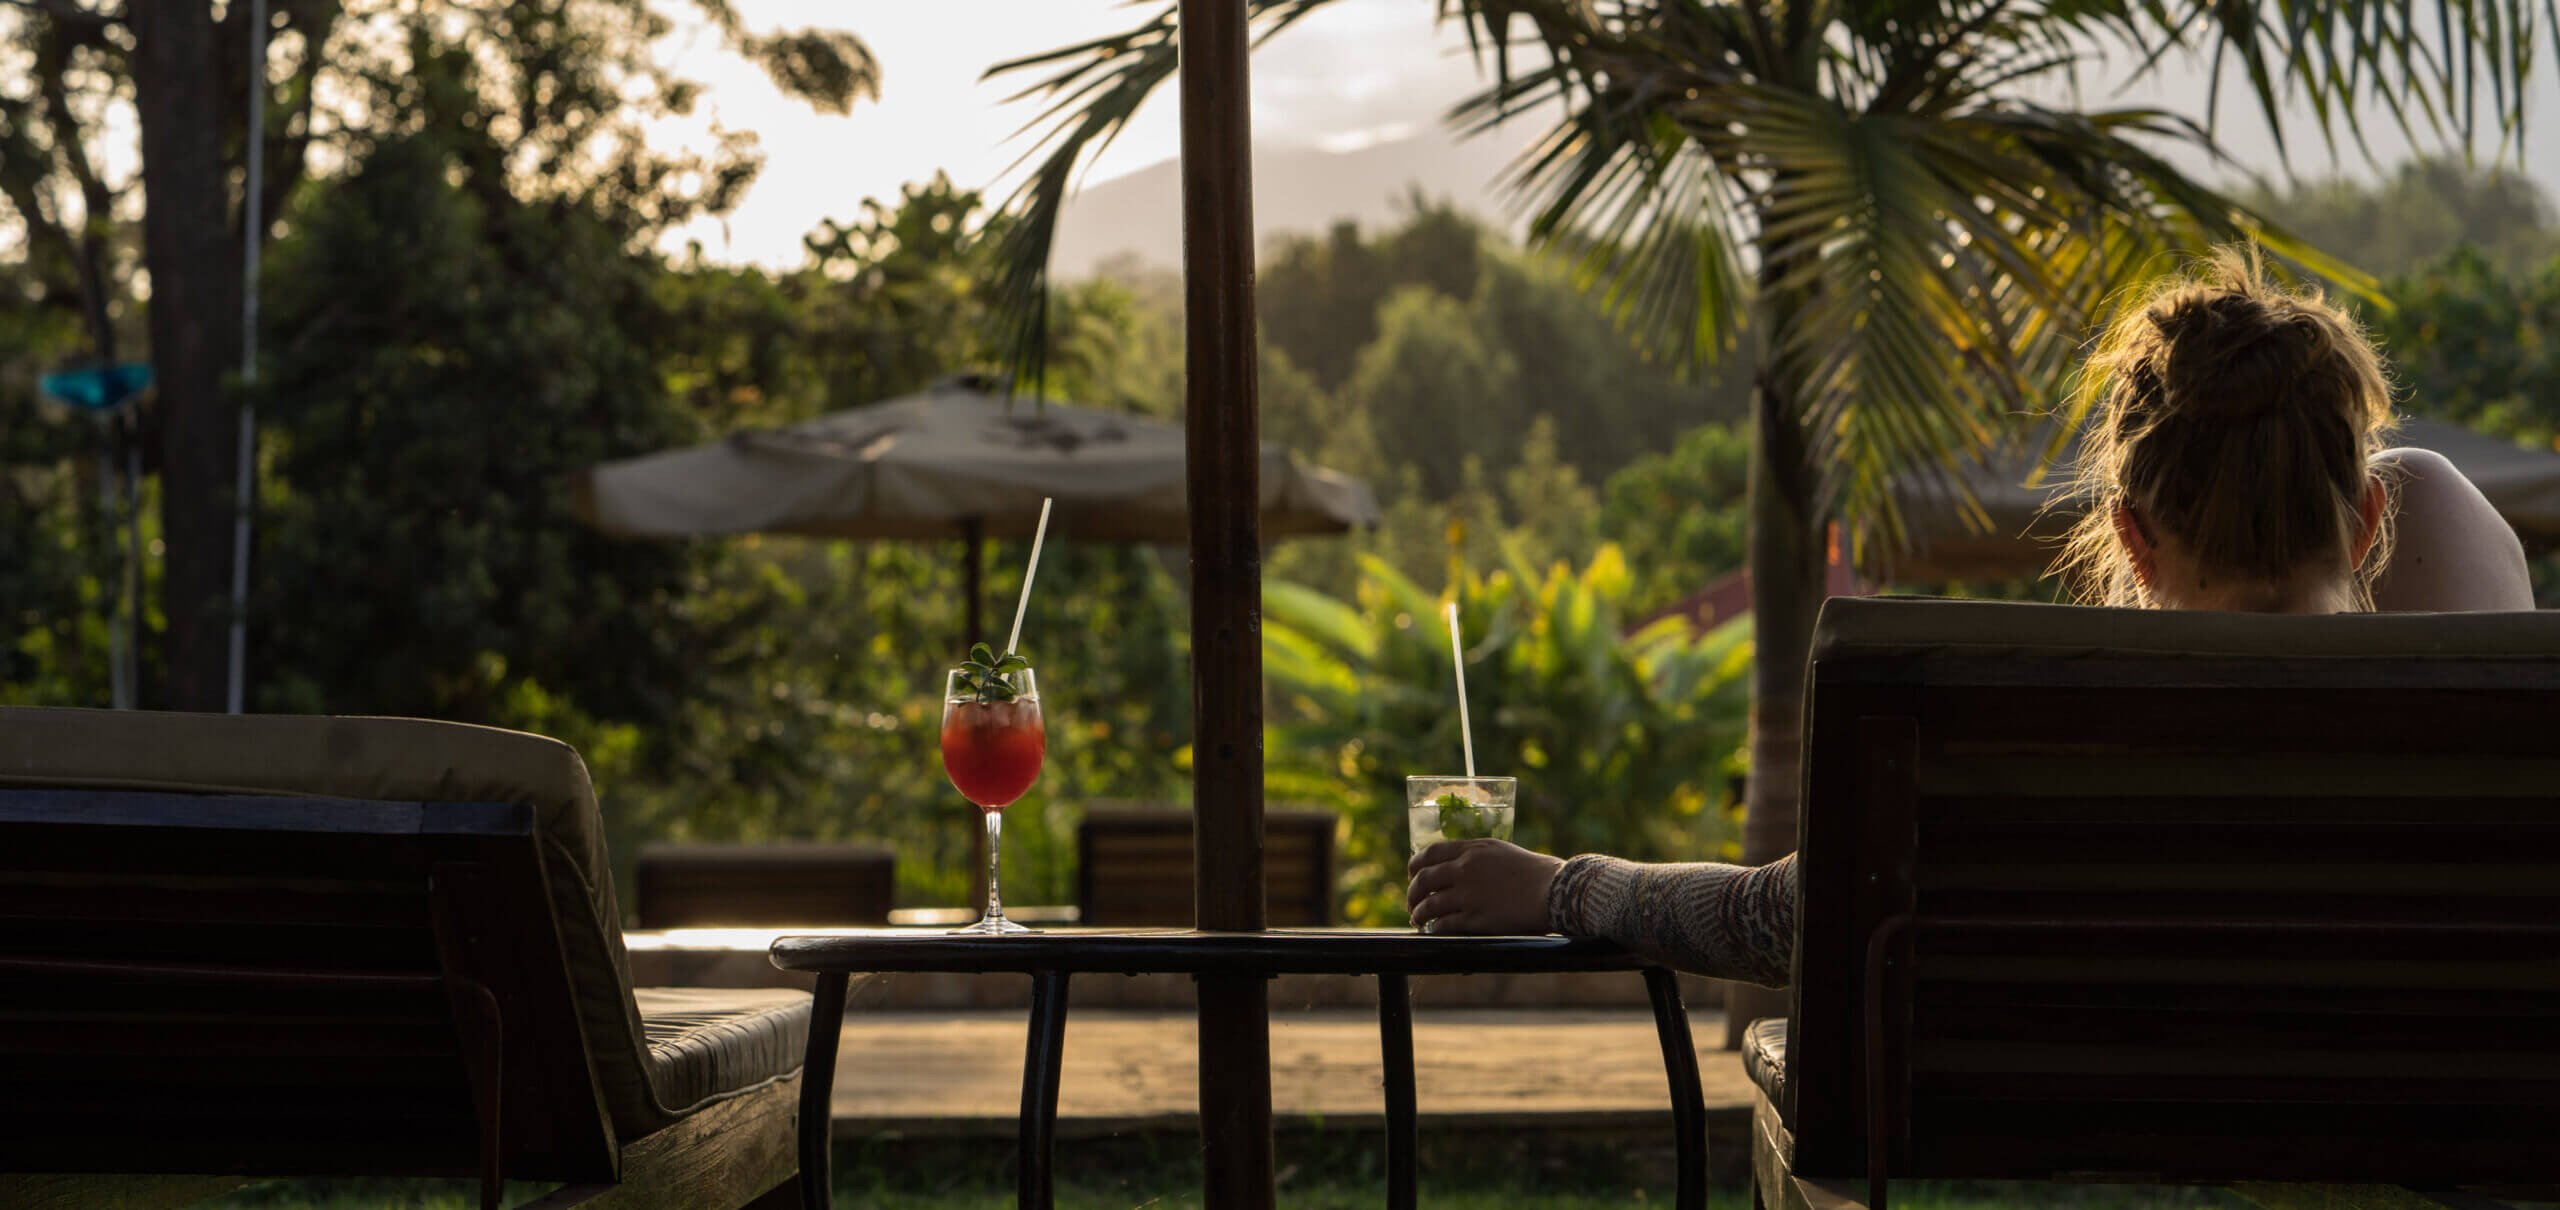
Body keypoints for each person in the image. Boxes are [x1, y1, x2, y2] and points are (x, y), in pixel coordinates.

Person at [1403, 247, 2534, 983]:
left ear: (2131, 536)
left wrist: (1560, 883)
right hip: (2453, 1100)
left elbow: (1786, 917)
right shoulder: (2469, 685)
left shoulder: (2050, 718)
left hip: (2105, 1103)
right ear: (2367, 519)